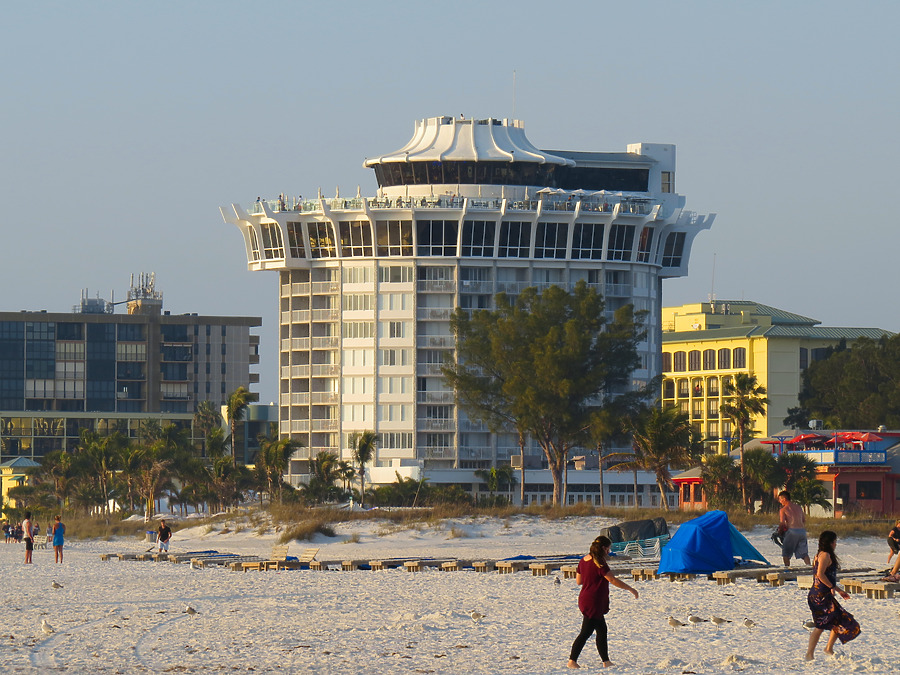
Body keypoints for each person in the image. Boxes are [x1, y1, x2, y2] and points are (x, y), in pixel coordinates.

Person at [567, 536, 638, 669]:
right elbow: (612, 580)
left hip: (586, 599)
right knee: (586, 632)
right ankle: (572, 661)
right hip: (594, 601)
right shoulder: (599, 562)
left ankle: (606, 661)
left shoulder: (583, 560)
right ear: (604, 548)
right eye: (608, 549)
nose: (609, 552)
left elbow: (579, 581)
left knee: (602, 630)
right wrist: (631, 589)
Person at [806, 530, 860, 660]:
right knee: (820, 625)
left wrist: (838, 590)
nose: (836, 544)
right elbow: (820, 575)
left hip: (822, 594)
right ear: (830, 543)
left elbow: (826, 577)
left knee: (840, 620)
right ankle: (809, 654)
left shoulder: (822, 554)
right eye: (835, 541)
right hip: (819, 596)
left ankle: (828, 648)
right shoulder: (824, 555)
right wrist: (832, 587)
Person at [778, 490, 811, 566]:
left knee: (786, 554)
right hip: (802, 531)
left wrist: (780, 531)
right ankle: (809, 567)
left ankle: (787, 570)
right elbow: (803, 520)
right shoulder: (799, 507)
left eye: (780, 499)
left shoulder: (783, 509)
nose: (780, 502)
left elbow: (782, 523)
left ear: (784, 499)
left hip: (792, 531)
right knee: (804, 553)